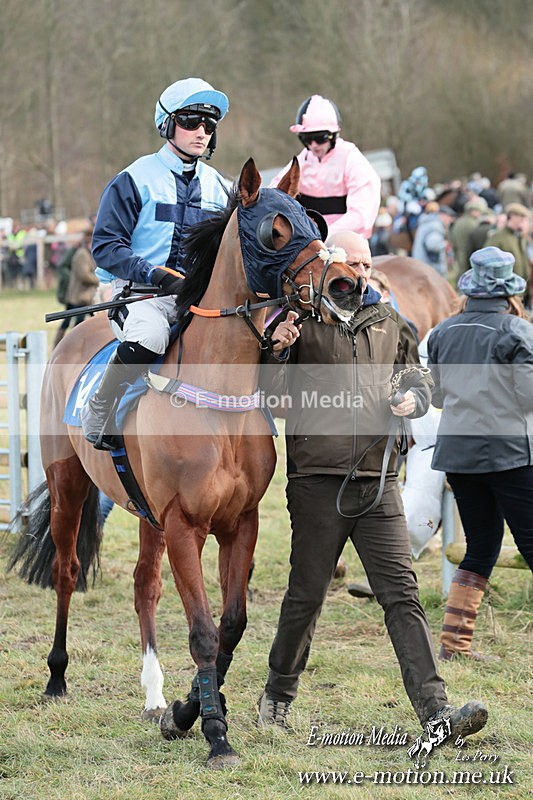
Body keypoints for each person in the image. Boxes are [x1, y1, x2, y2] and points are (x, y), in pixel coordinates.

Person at [257, 231, 488, 741]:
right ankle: (277, 694)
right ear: (330, 263)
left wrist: (412, 398)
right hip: (317, 481)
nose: (360, 273)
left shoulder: (388, 321)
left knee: (402, 595)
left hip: (378, 481)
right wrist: (276, 352)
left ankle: (436, 712)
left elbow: (417, 380)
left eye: (366, 264)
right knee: (306, 596)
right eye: (351, 263)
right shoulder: (301, 321)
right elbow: (269, 395)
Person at [80, 77, 230, 450]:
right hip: (141, 296)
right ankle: (101, 406)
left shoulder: (221, 187)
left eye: (209, 125)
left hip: (198, 300)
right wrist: (155, 274)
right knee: (150, 337)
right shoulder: (133, 179)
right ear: (167, 124)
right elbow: (106, 246)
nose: (202, 132)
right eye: (191, 121)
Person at [427, 246, 533, 661]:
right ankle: (455, 645)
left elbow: (436, 396)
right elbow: (528, 397)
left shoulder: (442, 332)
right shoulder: (517, 332)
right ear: (510, 292)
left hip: (459, 455)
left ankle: (454, 645)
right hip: (509, 454)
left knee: (481, 546)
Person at [269, 95, 380, 238]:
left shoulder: (352, 159)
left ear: (333, 135)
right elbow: (275, 194)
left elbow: (361, 216)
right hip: (310, 241)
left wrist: (324, 234)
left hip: (345, 239)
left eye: (319, 138)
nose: (313, 145)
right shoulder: (302, 160)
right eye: (306, 139)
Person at [53, 229, 99, 348]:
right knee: (77, 323)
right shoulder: (82, 254)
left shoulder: (86, 253)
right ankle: (69, 346)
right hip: (79, 296)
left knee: (91, 320)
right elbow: (84, 275)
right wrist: (98, 280)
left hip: (83, 295)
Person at [487, 203, 532, 308]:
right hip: (507, 293)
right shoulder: (498, 237)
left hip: (522, 292)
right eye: (520, 218)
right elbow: (489, 264)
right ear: (511, 217)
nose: (523, 221)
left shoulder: (520, 237)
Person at [411, 202, 457, 277]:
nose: (450, 221)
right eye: (449, 217)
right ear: (443, 215)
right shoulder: (436, 226)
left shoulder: (427, 223)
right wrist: (444, 244)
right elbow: (432, 245)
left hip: (422, 266)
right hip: (430, 269)